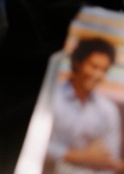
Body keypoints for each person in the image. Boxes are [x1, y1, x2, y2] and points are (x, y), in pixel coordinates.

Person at [46, 36, 124, 174]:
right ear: (77, 64)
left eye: (103, 70)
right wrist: (80, 157)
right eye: (93, 66)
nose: (98, 75)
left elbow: (109, 160)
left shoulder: (108, 110)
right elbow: (36, 144)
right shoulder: (51, 97)